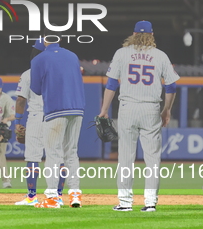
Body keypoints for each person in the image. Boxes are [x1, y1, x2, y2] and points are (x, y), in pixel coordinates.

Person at [98, 21, 179, 212]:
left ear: (133, 34)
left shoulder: (122, 53)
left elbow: (111, 84)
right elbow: (172, 86)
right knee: (152, 158)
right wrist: (167, 109)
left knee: (125, 157)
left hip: (128, 107)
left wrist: (104, 110)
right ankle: (150, 202)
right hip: (151, 108)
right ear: (152, 35)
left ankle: (125, 202)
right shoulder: (160, 56)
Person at [30, 37, 86, 209]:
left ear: (45, 40)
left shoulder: (39, 59)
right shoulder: (72, 56)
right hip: (77, 108)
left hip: (56, 109)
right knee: (72, 152)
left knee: (53, 153)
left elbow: (36, 89)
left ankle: (52, 197)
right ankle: (75, 194)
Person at [14, 39, 70, 206]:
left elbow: (21, 100)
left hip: (37, 118)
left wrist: (17, 120)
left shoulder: (28, 74)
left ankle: (31, 196)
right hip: (57, 116)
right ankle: (58, 196)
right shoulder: (60, 72)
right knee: (57, 156)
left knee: (33, 157)